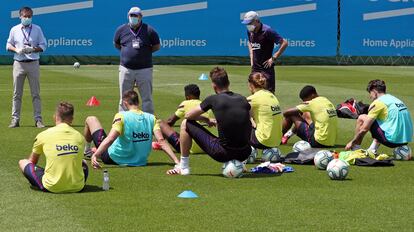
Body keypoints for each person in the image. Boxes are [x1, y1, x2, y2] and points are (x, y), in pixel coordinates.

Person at [167, 67, 252, 175]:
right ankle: (241, 164)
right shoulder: (242, 99)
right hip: (245, 152)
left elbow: (188, 116)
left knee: (185, 123)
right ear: (228, 83)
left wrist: (206, 119)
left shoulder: (213, 99)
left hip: (223, 153)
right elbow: (248, 121)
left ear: (214, 86)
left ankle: (183, 167)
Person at [84, 90, 179, 168]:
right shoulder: (151, 118)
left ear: (125, 103)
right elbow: (161, 141)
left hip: (113, 158)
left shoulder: (121, 116)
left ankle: (87, 150)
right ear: (138, 102)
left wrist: (96, 155)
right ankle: (91, 150)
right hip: (140, 161)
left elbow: (110, 139)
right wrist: (176, 161)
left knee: (91, 119)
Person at [18, 102, 88, 193]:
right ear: (72, 119)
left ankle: (52, 179)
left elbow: (32, 162)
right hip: (78, 187)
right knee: (84, 162)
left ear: (55, 117)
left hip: (51, 186)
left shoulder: (43, 135)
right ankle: (73, 181)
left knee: (23, 162)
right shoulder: (80, 137)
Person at [114, 6, 160, 114]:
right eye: (131, 15)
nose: (133, 17)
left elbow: (156, 46)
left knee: (147, 97)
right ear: (128, 16)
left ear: (140, 17)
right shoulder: (121, 30)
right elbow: (117, 44)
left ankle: (148, 121)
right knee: (123, 97)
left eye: (136, 15)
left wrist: (144, 54)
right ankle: (122, 120)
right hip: (126, 69)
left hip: (144, 69)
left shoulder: (149, 30)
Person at [6, 6, 47, 128]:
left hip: (33, 63)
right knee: (16, 94)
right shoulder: (14, 29)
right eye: (25, 16)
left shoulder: (37, 29)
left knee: (36, 93)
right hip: (18, 63)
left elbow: (44, 45)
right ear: (20, 16)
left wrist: (33, 49)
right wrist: (16, 49)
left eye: (29, 16)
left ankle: (38, 120)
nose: (27, 18)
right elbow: (8, 44)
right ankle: (15, 119)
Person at [345, 80, 413, 152]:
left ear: (374, 92)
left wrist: (353, 141)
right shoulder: (395, 99)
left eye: (370, 93)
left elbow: (364, 129)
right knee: (380, 120)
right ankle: (372, 149)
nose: (370, 96)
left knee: (362, 118)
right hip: (405, 140)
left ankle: (355, 148)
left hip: (392, 141)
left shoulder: (378, 102)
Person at [242, 11, 288, 93]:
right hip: (255, 68)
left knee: (269, 94)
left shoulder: (268, 31)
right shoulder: (250, 31)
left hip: (266, 69)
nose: (248, 25)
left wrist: (274, 57)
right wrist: (251, 57)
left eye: (249, 23)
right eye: (246, 23)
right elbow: (250, 42)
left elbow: (284, 43)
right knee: (254, 94)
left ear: (256, 21)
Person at [159, 84, 212, 154]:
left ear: (188, 96)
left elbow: (170, 121)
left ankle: (159, 143)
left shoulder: (185, 103)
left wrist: (158, 133)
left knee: (161, 124)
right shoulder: (206, 105)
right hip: (206, 147)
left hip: (188, 147)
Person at [247, 72, 282, 149]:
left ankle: (241, 152)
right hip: (277, 141)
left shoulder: (254, 98)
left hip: (263, 141)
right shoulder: (271, 95)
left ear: (250, 84)